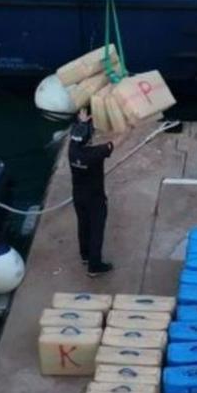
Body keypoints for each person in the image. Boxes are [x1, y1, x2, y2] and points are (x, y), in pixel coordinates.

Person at [68, 109, 114, 276]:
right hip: (95, 198)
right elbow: (114, 144)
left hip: (78, 196)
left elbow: (76, 137)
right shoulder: (95, 153)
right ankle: (95, 266)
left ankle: (85, 255)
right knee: (96, 230)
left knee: (83, 225)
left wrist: (82, 122)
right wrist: (129, 129)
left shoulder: (72, 150)